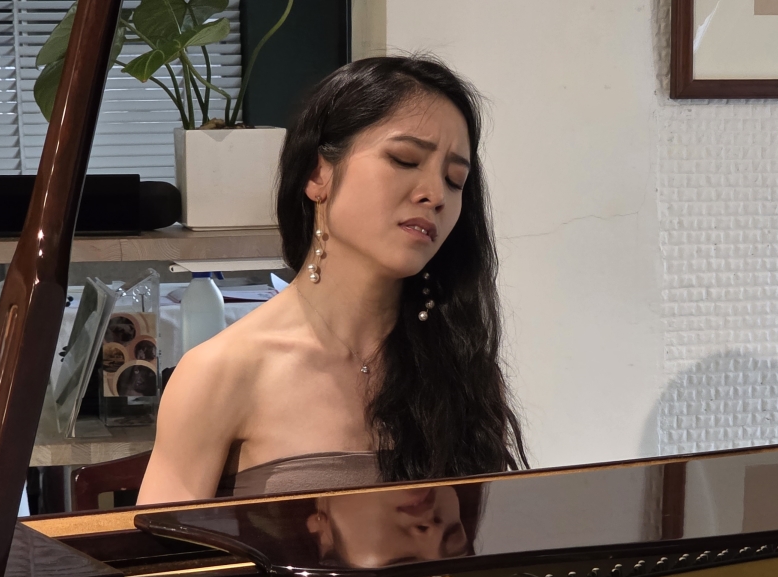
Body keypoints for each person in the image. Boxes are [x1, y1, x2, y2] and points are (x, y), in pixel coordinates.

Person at [137, 56, 526, 504]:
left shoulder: (461, 366)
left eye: (455, 180)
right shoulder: (221, 372)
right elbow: (161, 547)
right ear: (317, 173)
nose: (435, 194)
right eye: (404, 159)